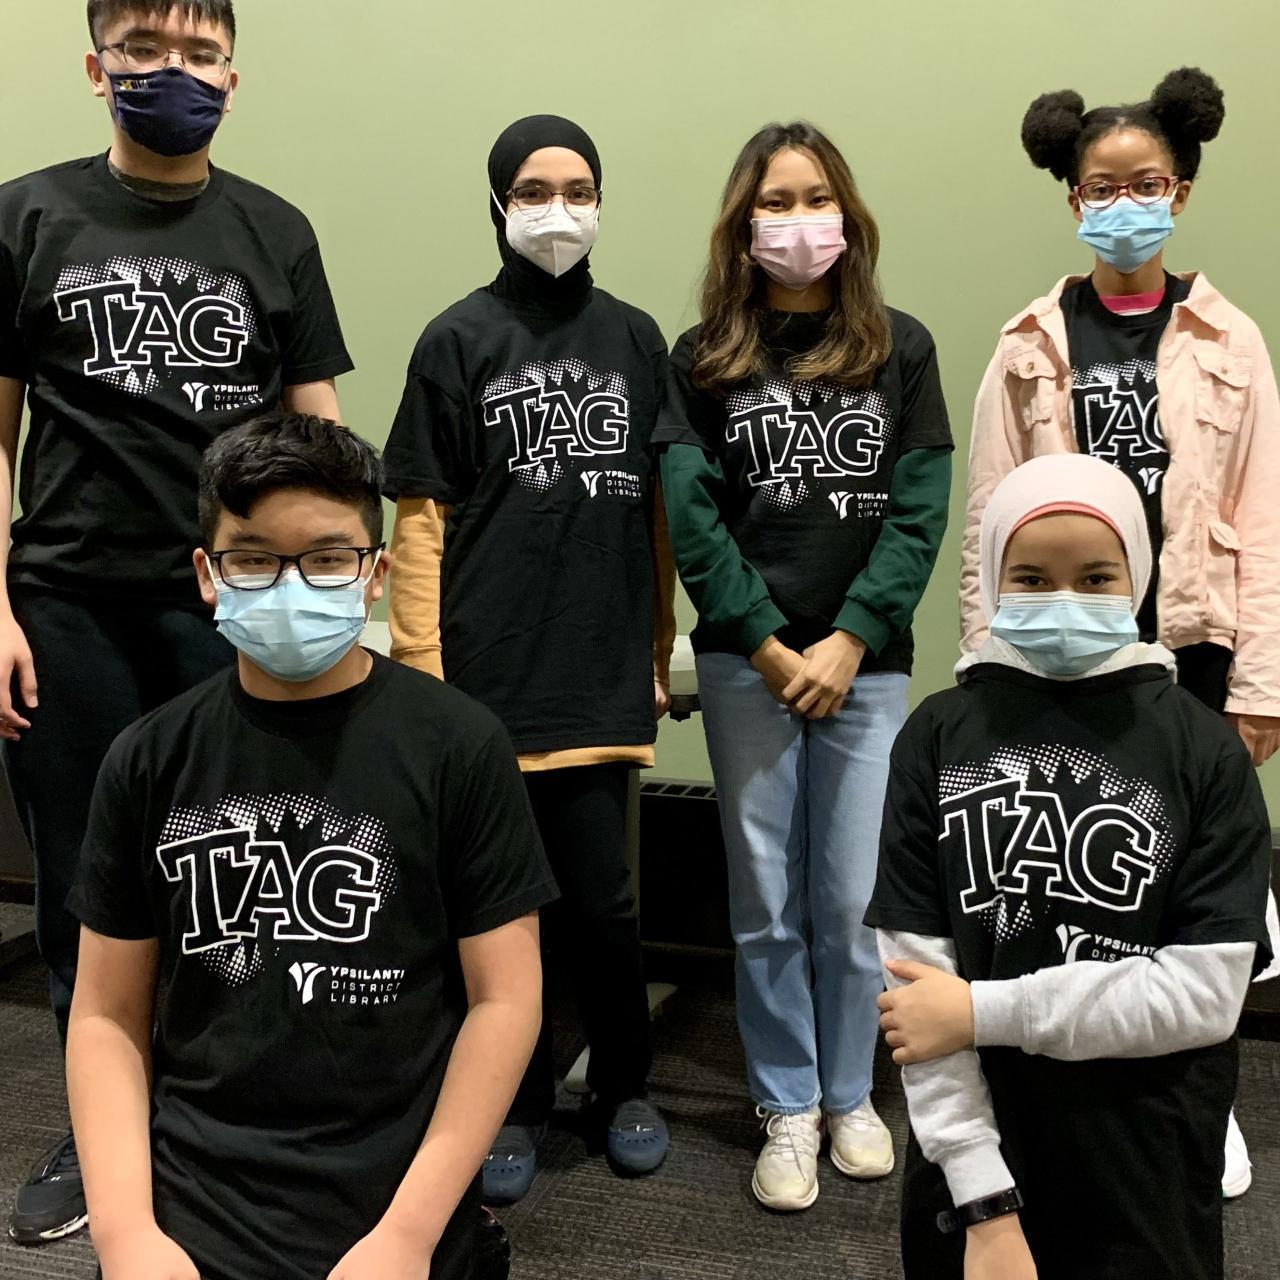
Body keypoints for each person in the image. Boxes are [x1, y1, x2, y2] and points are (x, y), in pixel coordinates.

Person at [1, 0, 352, 1243]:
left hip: (234, 606)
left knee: (240, 870)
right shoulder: (25, 215)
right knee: (85, 886)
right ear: (96, 67)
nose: (173, 72)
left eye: (200, 54)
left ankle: (218, 1115)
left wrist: (336, 596)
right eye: (145, 50)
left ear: (232, 78)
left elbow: (316, 433)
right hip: (66, 605)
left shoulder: (275, 229)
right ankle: (100, 1123)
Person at [65, 412, 556, 1280]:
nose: (291, 586)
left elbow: (506, 1000)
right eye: (253, 559)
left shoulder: (459, 746)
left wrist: (407, 1237)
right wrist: (125, 1233)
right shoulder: (148, 757)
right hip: (190, 1204)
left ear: (375, 575)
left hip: (397, 1204)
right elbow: (105, 1014)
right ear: (208, 575)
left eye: (328, 559)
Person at [960, 67, 1280, 1195]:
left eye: (1146, 184)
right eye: (1102, 187)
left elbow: (1261, 514)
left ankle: (1200, 1097)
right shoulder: (1027, 342)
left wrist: (1260, 682)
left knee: (1192, 879)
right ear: (1072, 200)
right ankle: (1065, 1086)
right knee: (1080, 866)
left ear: (1179, 190)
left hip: (1190, 647)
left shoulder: (1230, 338)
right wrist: (980, 663)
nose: (1124, 204)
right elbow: (989, 514)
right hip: (1064, 645)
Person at [869, 453, 1273, 1280]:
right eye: (1030, 578)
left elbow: (1204, 996)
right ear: (992, 579)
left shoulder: (1205, 752)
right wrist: (983, 1202)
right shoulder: (936, 736)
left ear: (1137, 578)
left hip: (1146, 1162)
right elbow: (917, 999)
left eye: (1095, 578)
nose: (1064, 601)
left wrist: (982, 1012)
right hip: (979, 1158)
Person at [656, 121, 952, 1210]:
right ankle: (785, 1105)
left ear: (847, 215)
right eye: (773, 203)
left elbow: (919, 510)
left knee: (850, 896)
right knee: (765, 897)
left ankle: (850, 1095)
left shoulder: (900, 347)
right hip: (751, 664)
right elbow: (691, 518)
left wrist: (851, 635)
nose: (796, 221)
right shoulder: (699, 358)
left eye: (815, 198)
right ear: (742, 226)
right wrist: (768, 643)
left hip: (865, 663)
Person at [382, 114, 676, 1203]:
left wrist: (656, 648)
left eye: (579, 189)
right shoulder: (455, 339)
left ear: (601, 202)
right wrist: (421, 671)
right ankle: (513, 1099)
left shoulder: (636, 338)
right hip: (485, 676)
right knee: (501, 913)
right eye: (536, 190)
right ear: (499, 203)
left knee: (602, 904)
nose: (559, 209)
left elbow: (657, 516)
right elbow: (420, 518)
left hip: (597, 669)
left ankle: (625, 1086)